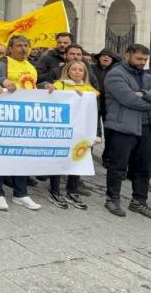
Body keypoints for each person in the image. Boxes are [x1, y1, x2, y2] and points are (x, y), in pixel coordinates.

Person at [102, 43, 151, 219]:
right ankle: (112, 198)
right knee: (118, 166)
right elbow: (130, 100)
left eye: (145, 60)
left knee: (144, 167)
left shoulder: (146, 76)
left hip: (147, 128)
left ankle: (139, 201)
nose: (142, 62)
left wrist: (145, 94)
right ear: (127, 55)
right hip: (122, 127)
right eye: (139, 58)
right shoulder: (115, 74)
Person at [0, 35, 46, 211]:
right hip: (6, 118)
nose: (23, 49)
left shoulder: (31, 67)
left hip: (26, 119)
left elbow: (34, 86)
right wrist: (1, 81)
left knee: (22, 156)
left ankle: (21, 194)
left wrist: (46, 85)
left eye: (26, 45)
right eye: (19, 45)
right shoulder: (1, 64)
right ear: (10, 48)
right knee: (1, 156)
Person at [48, 60, 99, 210]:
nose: (77, 72)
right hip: (62, 129)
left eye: (80, 70)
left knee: (77, 159)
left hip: (80, 131)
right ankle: (55, 190)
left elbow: (94, 96)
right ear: (68, 71)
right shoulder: (61, 84)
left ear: (85, 73)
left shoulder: (88, 88)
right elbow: (51, 91)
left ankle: (72, 190)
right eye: (74, 69)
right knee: (58, 159)